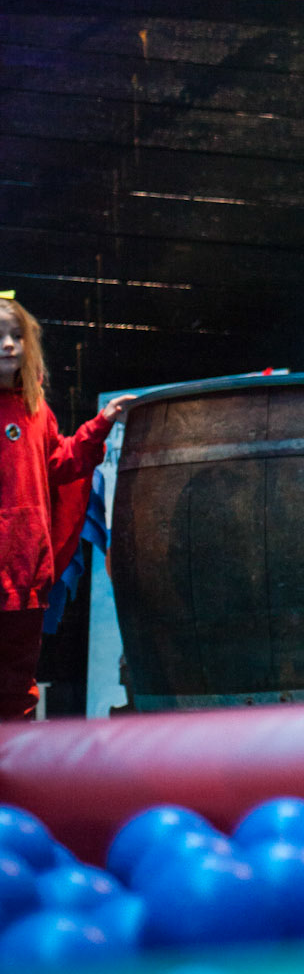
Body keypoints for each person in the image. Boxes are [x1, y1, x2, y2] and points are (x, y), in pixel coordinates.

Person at [0, 296, 131, 719]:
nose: (9, 345)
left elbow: (62, 461)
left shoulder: (35, 410)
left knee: (18, 683)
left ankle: (15, 756)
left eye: (17, 336)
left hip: (25, 574)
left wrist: (103, 421)